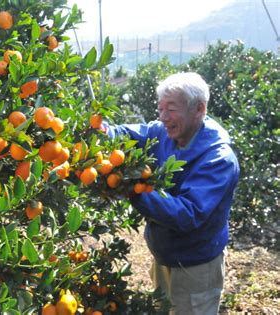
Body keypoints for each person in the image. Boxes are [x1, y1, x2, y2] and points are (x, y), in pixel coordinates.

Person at [102, 72, 239, 314]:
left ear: (199, 109)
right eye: (160, 108)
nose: (163, 117)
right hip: (164, 254)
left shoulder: (218, 159)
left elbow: (188, 214)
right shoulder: (162, 132)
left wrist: (133, 189)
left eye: (171, 109)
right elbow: (128, 134)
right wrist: (104, 133)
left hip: (195, 265)